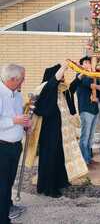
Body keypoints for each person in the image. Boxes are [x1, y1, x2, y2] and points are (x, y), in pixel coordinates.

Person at [34, 63, 77, 198]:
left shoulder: (59, 89)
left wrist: (82, 74)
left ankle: (60, 181)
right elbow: (52, 84)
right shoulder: (46, 88)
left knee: (59, 156)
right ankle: (49, 188)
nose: (63, 78)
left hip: (59, 132)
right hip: (48, 133)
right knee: (50, 158)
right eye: (61, 76)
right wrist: (64, 66)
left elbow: (71, 89)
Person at [0, 64, 31, 224]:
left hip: (15, 146)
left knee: (8, 185)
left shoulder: (17, 94)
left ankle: (6, 213)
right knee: (2, 187)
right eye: (22, 79)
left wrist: (24, 124)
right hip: (2, 148)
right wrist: (15, 120)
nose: (23, 82)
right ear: (12, 79)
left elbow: (19, 116)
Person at [70, 56, 99, 166]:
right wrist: (92, 71)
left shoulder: (93, 75)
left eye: (89, 62)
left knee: (90, 137)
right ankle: (84, 161)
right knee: (85, 136)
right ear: (81, 65)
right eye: (85, 63)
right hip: (86, 109)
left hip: (94, 109)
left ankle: (88, 158)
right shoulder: (80, 76)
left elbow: (97, 88)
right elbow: (91, 84)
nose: (88, 64)